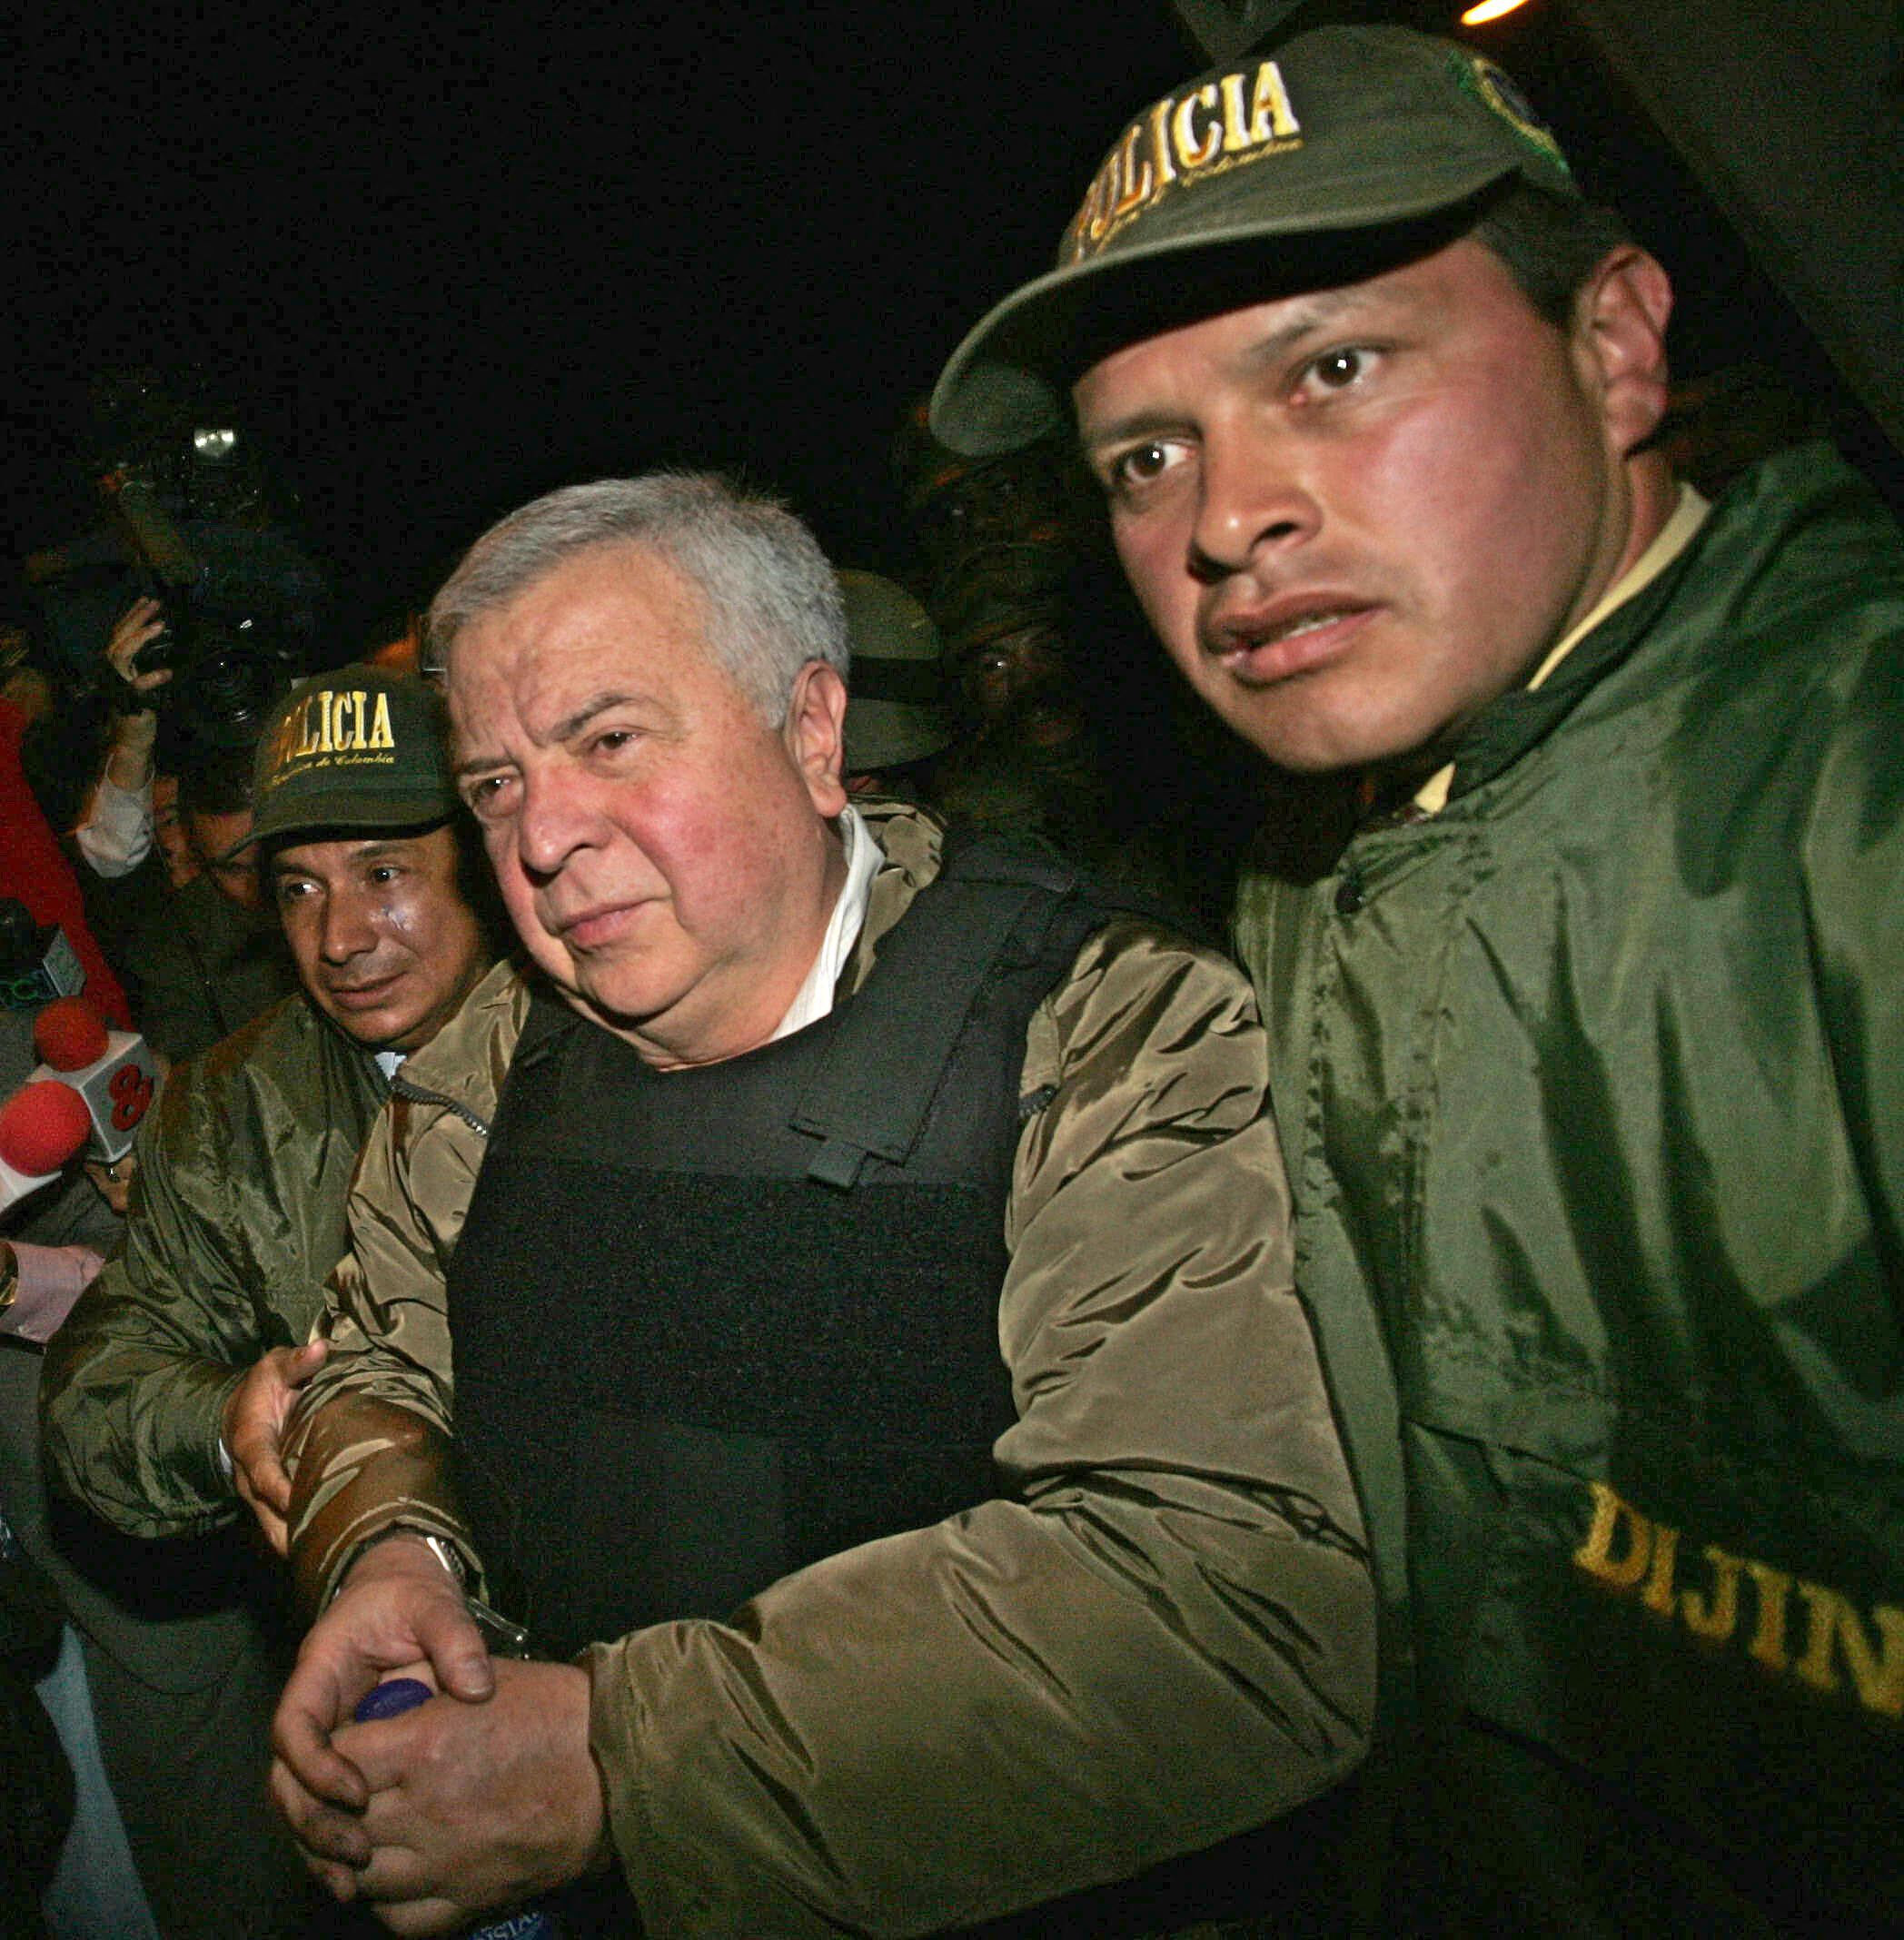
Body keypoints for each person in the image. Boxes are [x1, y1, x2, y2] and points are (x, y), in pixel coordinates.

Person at [930, 22, 1904, 1933]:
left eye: (1334, 370)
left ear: (1613, 344)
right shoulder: (1319, 852)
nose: (1226, 520)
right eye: (1146, 457)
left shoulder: (1850, 813)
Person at [269, 474, 1373, 1937]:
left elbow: (1228, 1602)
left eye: (608, 741)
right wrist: (389, 1548)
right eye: (496, 785)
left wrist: (621, 1762)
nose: (542, 841)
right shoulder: (490, 1053)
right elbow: (373, 1356)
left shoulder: (1103, 1026)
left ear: (812, 732)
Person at [37, 664, 491, 1938]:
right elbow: (101, 1392)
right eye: (298, 886)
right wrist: (222, 1416)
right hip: (404, 1717)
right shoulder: (242, 1106)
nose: (338, 936)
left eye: (384, 871)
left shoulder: (619, 1018)